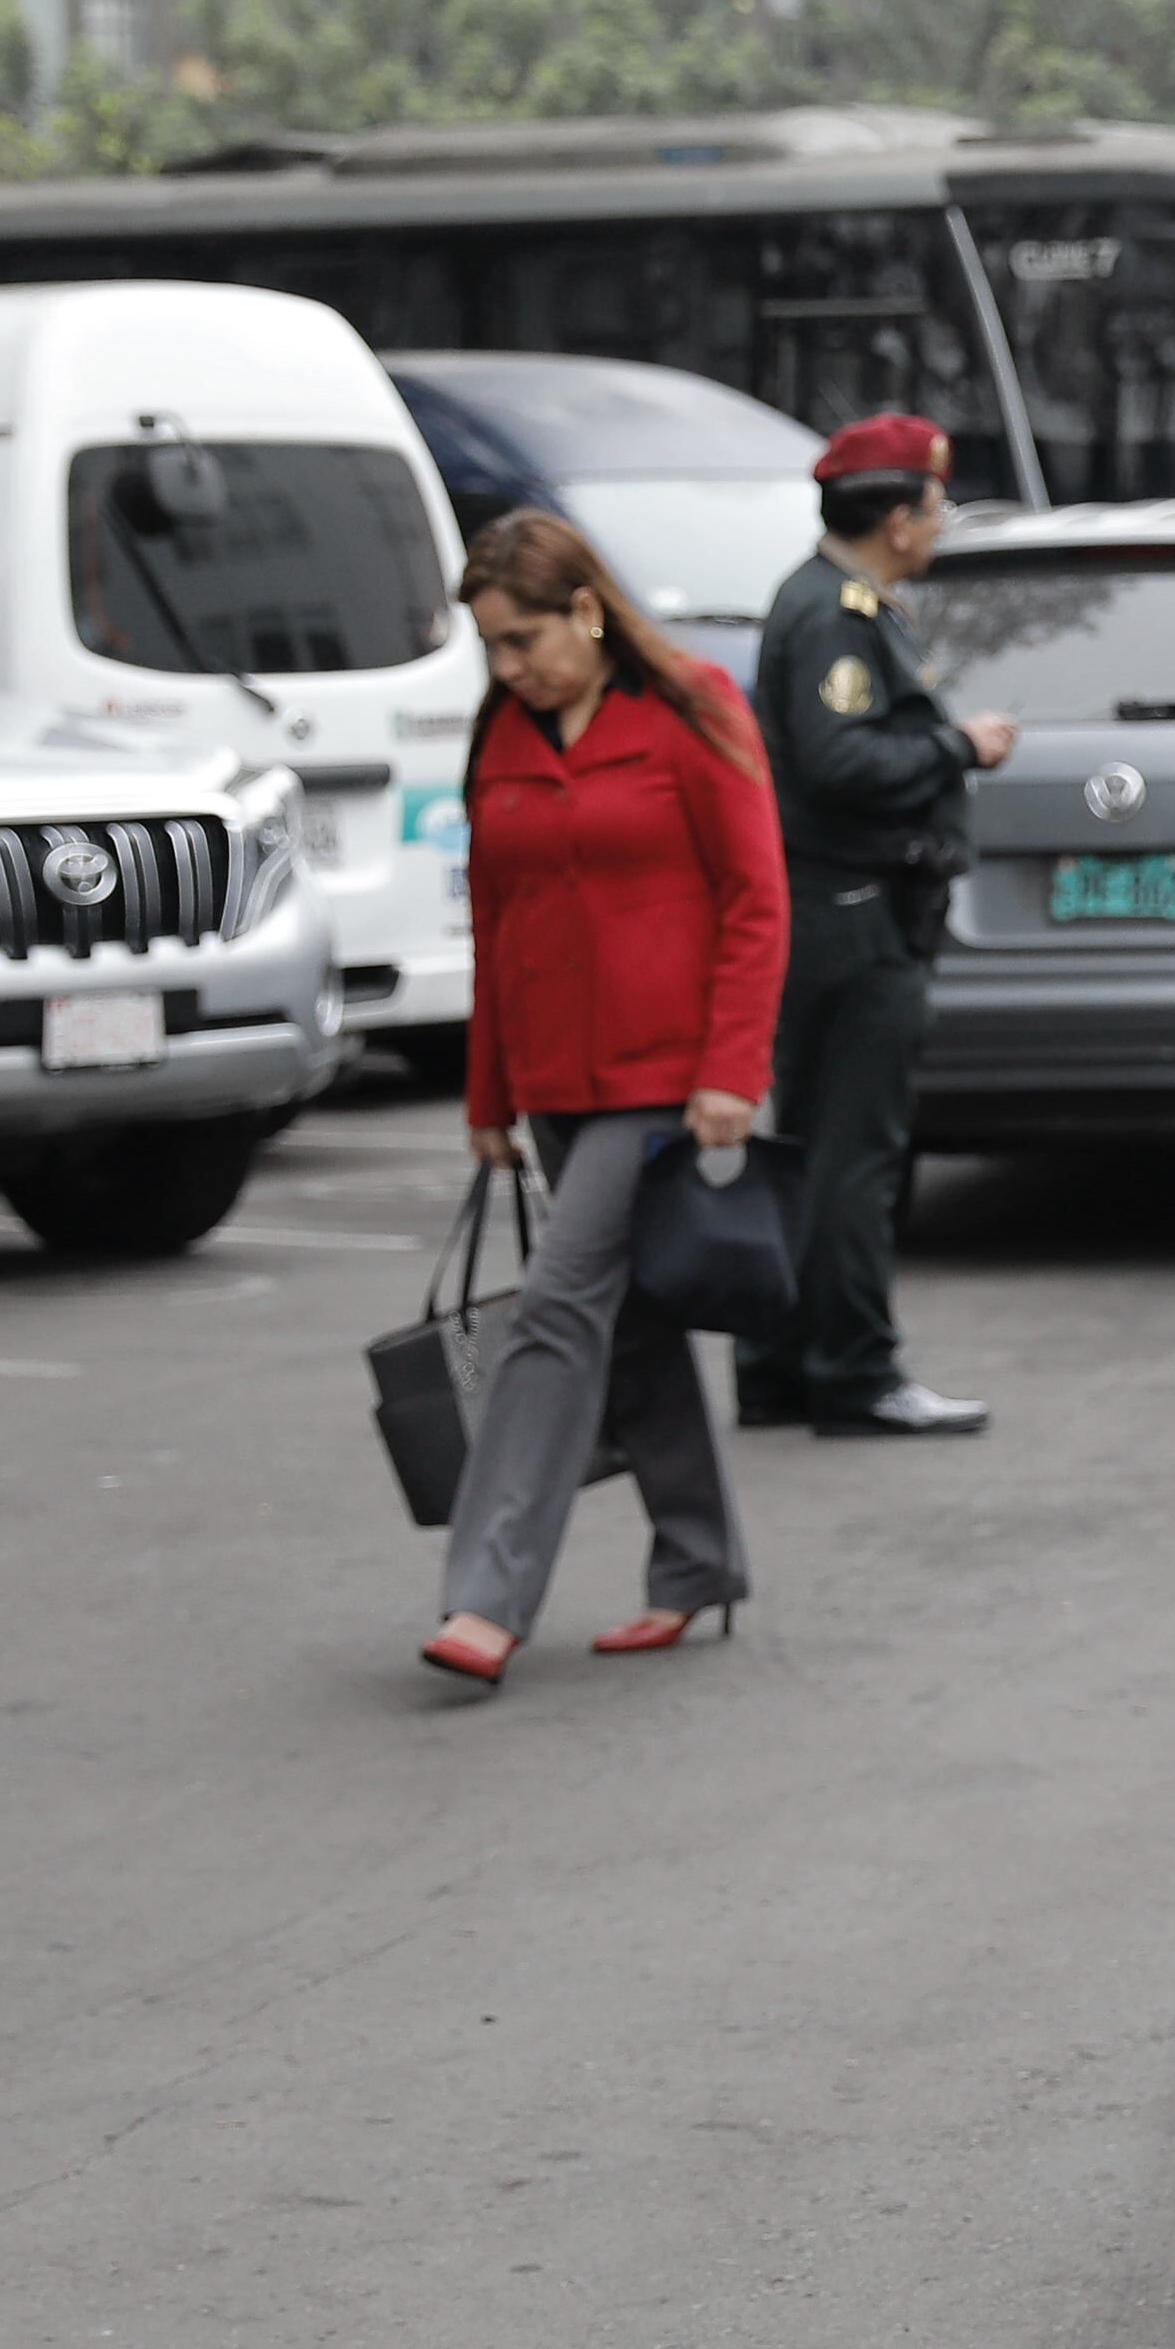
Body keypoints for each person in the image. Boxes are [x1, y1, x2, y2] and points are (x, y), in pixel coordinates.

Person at [420, 512, 788, 1689]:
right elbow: (493, 921)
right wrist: (486, 1093)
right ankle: (697, 1565)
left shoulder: (690, 707)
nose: (507, 666)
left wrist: (733, 1070)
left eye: (521, 639)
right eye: (489, 646)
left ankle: (485, 1594)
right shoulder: (503, 732)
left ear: (586, 608)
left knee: (556, 1310)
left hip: (663, 1084)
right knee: (633, 1327)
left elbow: (754, 898)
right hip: (551, 1082)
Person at [731, 414, 1015, 1441]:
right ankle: (852, 1371)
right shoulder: (834, 616)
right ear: (898, 517)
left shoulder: (835, 604)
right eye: (934, 506)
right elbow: (838, 759)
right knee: (855, 1155)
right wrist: (955, 747)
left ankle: (779, 1366)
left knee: (810, 1147)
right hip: (854, 916)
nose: (938, 524)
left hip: (836, 910)